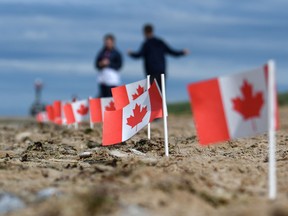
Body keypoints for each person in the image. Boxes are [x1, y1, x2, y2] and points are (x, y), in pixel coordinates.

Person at [128, 24, 188, 89]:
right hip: (161, 71)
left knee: (152, 94)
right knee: (161, 94)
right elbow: (172, 52)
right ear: (152, 31)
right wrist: (182, 52)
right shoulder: (160, 42)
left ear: (145, 33)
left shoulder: (146, 44)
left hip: (151, 73)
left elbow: (139, 55)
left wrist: (131, 53)